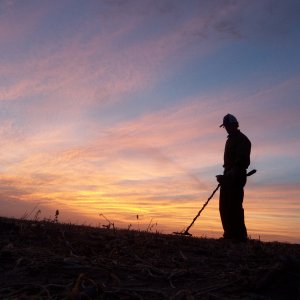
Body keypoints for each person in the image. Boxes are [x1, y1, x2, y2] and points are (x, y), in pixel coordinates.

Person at [216, 114, 251, 242]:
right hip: (228, 175)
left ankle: (240, 236)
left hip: (236, 176)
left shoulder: (242, 140)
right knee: (224, 206)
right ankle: (229, 234)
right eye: (225, 126)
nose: (226, 128)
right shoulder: (230, 140)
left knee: (234, 205)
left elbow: (241, 162)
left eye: (228, 126)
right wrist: (225, 175)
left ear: (235, 125)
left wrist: (230, 174)